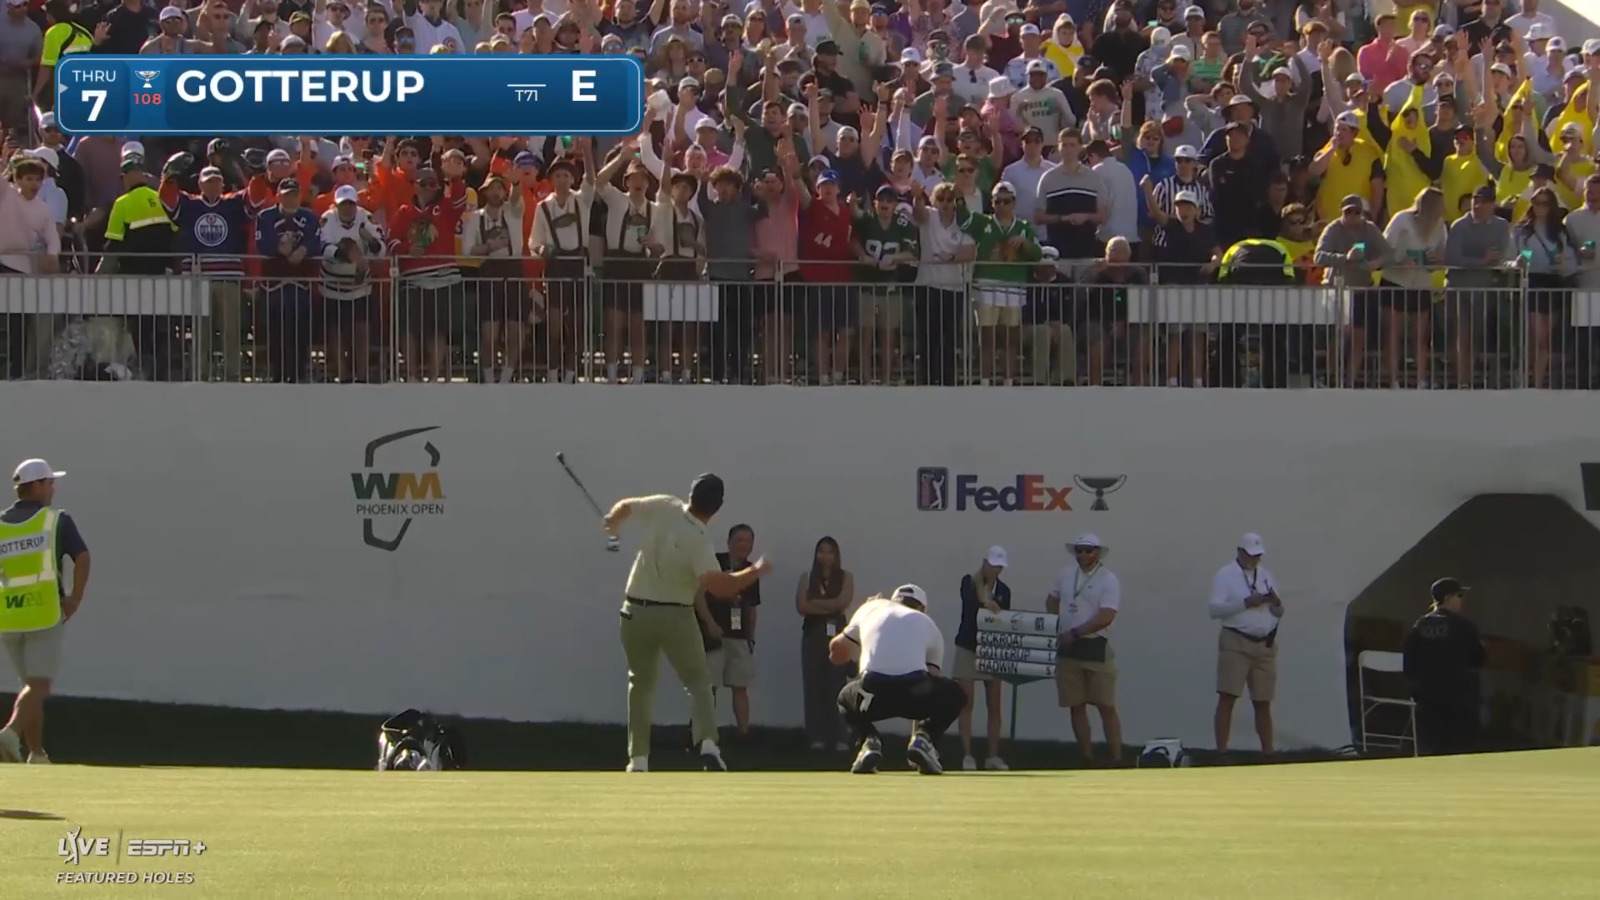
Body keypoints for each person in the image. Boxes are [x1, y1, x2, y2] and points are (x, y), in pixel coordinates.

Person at [602, 475, 770, 773]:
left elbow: (625, 507)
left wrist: (614, 521)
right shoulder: (700, 539)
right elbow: (720, 586)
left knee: (640, 684)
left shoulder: (665, 505)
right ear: (717, 507)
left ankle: (638, 759)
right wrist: (755, 571)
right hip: (676, 615)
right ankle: (708, 745)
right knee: (699, 682)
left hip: (635, 611)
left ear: (690, 493)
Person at [0, 458, 90, 765]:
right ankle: (10, 734)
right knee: (39, 685)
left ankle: (36, 753)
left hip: (9, 616)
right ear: (36, 485)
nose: (53, 488)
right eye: (50, 482)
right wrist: (74, 599)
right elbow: (82, 557)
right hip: (43, 612)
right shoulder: (56, 520)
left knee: (30, 687)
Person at [830, 584, 965, 775]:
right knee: (955, 693)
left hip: (872, 696)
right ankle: (924, 739)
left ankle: (868, 741)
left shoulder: (871, 608)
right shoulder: (928, 624)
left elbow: (836, 653)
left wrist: (863, 641)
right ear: (922, 608)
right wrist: (920, 732)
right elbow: (932, 679)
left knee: (844, 697)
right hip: (914, 694)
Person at [1045, 533, 1122, 766]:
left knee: (1105, 705)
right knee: (1075, 704)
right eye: (1079, 550)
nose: (1083, 555)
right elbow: (1052, 599)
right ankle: (1086, 756)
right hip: (1069, 647)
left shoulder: (1108, 579)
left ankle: (1117, 757)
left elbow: (1106, 615)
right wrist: (1057, 624)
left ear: (1097, 553)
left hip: (1094, 644)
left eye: (1088, 550)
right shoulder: (1065, 574)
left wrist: (1076, 632)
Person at [1207, 533, 1283, 755]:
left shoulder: (1266, 575)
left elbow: (1279, 611)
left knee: (1263, 701)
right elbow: (1214, 610)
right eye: (1250, 555)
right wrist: (1245, 603)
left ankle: (1268, 752)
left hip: (1264, 644)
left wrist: (1276, 603)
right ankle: (1222, 752)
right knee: (1228, 696)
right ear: (1239, 552)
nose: (1255, 559)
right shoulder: (1225, 575)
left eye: (1258, 555)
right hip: (1236, 641)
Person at [1402, 578, 1486, 756]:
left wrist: (1416, 689)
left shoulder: (1420, 625)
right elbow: (1478, 659)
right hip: (1459, 699)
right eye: (1459, 595)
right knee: (1458, 750)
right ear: (1448, 598)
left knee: (1430, 749)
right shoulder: (1465, 627)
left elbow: (1409, 661)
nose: (1462, 600)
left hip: (1427, 698)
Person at [694, 523, 762, 740]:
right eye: (739, 540)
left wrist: (751, 637)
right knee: (709, 687)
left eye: (748, 541)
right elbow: (698, 596)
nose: (744, 545)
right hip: (713, 635)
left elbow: (751, 608)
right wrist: (709, 623)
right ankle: (703, 735)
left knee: (740, 685)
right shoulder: (714, 563)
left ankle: (744, 734)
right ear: (729, 542)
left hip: (739, 637)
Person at [1512, 185, 1578, 388]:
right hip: (1532, 282)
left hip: (1553, 282)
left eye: (1545, 203)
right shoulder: (1523, 231)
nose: (1540, 207)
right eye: (1536, 202)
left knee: (1544, 338)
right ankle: (1529, 378)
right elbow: (1511, 258)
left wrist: (1562, 262)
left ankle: (1538, 382)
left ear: (1552, 206)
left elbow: (1571, 261)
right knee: (1535, 336)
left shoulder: (1560, 232)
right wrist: (1518, 263)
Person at [953, 546, 1011, 771]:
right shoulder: (968, 582)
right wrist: (986, 604)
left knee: (994, 706)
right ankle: (967, 755)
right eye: (992, 564)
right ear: (984, 562)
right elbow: (970, 608)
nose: (995, 570)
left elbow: (1005, 620)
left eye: (999, 566)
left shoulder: (1004, 590)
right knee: (966, 703)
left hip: (992, 650)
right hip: (968, 647)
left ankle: (993, 756)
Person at [797, 536, 855, 752]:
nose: (825, 555)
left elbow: (842, 603)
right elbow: (802, 606)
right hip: (813, 634)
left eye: (830, 551)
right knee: (813, 685)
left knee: (837, 684)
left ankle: (840, 736)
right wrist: (828, 607)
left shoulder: (846, 577)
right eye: (821, 551)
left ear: (836, 554)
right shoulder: (807, 577)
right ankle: (816, 736)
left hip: (837, 635)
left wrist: (816, 604)